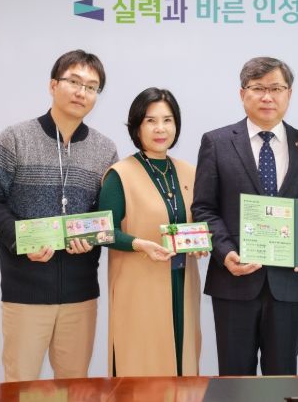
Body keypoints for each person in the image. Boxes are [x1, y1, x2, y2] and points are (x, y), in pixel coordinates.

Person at [0, 50, 118, 382]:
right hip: (25, 290)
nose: (82, 92)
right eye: (74, 82)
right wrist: (21, 239)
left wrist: (93, 238)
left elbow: (105, 213)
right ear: (53, 85)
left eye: (92, 87)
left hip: (81, 293)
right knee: (21, 385)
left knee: (75, 386)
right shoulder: (13, 138)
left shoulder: (105, 149)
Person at [191, 57, 298, 376]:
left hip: (288, 283)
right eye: (258, 88)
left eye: (276, 88)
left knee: (282, 377)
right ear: (242, 93)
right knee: (235, 379)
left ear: (289, 94)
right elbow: (203, 208)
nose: (267, 97)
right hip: (234, 281)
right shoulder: (216, 142)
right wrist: (225, 253)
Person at [98, 88, 204, 377]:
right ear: (137, 126)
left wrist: (201, 242)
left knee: (183, 367)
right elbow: (104, 232)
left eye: (168, 120)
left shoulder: (189, 172)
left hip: (182, 283)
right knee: (142, 369)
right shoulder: (120, 174)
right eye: (151, 121)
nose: (160, 128)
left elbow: (199, 221)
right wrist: (138, 244)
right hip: (139, 287)